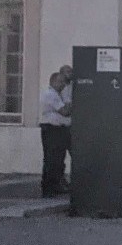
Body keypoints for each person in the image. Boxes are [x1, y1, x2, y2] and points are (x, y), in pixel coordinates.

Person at [38, 69, 72, 197]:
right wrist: (69, 103)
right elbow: (64, 111)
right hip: (51, 130)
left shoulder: (58, 94)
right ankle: (49, 188)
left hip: (59, 130)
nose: (63, 84)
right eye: (60, 82)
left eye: (64, 82)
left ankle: (56, 185)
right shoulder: (50, 94)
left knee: (58, 159)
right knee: (52, 159)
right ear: (52, 82)